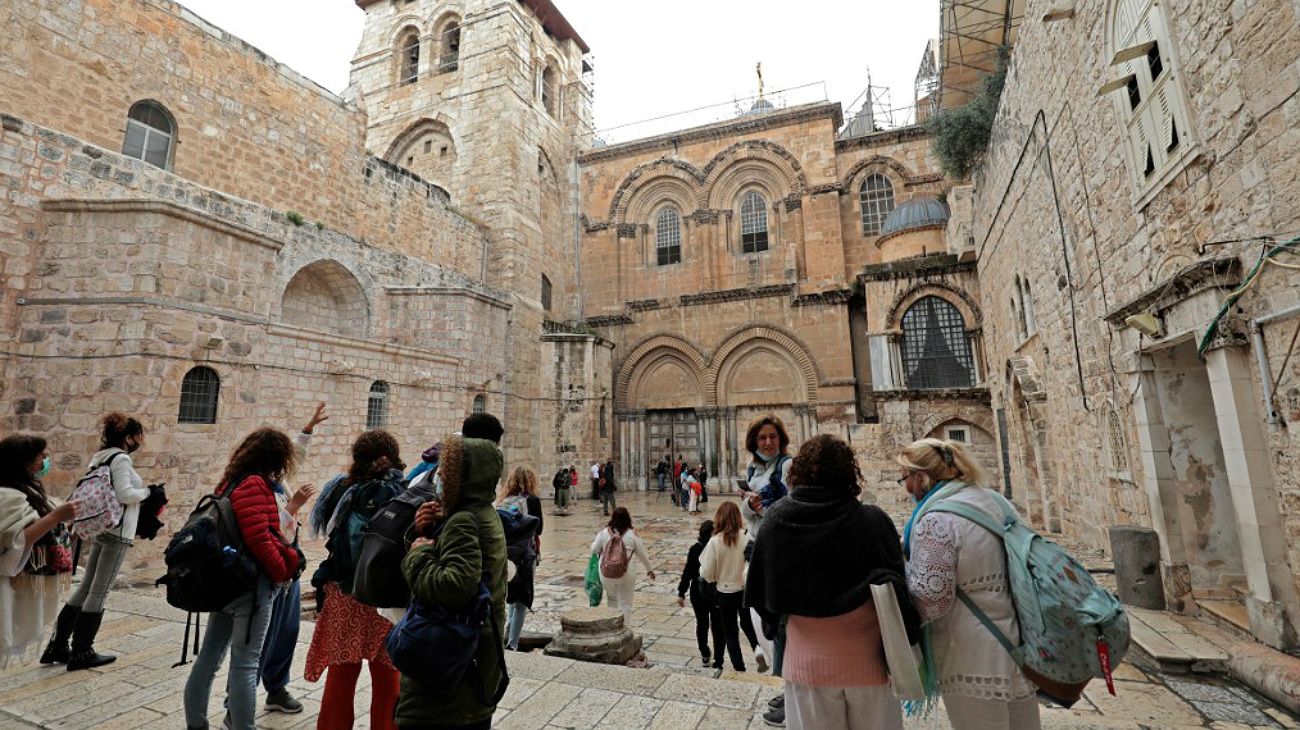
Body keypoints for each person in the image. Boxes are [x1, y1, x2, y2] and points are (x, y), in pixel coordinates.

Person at [747, 434, 919, 730]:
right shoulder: (873, 521)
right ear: (849, 472)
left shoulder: (776, 520)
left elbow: (759, 598)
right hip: (871, 666)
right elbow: (901, 590)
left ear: (797, 471)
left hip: (806, 668)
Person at [900, 438, 1040, 730]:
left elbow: (931, 601)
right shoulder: (996, 502)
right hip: (1014, 643)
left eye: (905, 478)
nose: (906, 488)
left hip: (968, 655)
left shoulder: (936, 519)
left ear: (922, 477)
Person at [183, 429, 303, 730]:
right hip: (249, 587)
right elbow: (260, 539)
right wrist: (281, 572)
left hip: (225, 582)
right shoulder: (255, 484)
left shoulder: (230, 481)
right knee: (245, 665)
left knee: (208, 660)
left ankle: (196, 724)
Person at [400, 434, 508, 729]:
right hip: (475, 660)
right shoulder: (483, 513)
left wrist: (417, 554)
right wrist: (425, 530)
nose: (439, 478)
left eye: (447, 472)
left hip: (450, 663)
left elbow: (454, 585)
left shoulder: (465, 520)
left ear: (466, 476)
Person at [306, 431, 406, 730]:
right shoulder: (400, 491)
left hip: (343, 592)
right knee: (388, 679)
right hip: (383, 597)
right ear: (389, 456)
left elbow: (328, 535)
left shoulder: (339, 487)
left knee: (341, 676)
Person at [45, 412, 150, 671]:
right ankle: (82, 651)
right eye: (138, 436)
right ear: (128, 438)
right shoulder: (122, 458)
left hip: (102, 528)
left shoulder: (100, 456)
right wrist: (148, 492)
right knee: (100, 590)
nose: (141, 441)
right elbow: (125, 494)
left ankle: (57, 645)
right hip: (118, 532)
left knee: (86, 587)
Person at [256, 403, 326, 715]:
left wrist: (308, 428)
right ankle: (238, 701)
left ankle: (276, 688)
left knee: (286, 632)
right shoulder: (254, 486)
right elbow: (267, 530)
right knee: (259, 638)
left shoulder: (275, 478)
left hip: (289, 570)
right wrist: (294, 506)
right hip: (268, 573)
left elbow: (296, 454)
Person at [2, 435, 79, 668]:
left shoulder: (26, 489)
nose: (46, 460)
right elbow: (14, 542)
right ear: (23, 462)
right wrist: (56, 517)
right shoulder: (6, 495)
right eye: (41, 456)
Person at [701, 502, 755, 672]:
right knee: (747, 624)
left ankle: (739, 667)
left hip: (724, 592)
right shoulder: (747, 537)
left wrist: (706, 572)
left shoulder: (715, 542)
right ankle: (758, 649)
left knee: (730, 632)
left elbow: (707, 573)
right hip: (743, 589)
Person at [498, 466, 543, 651]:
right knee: (521, 600)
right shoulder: (532, 500)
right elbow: (538, 529)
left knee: (509, 595)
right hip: (525, 555)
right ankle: (513, 643)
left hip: (504, 554)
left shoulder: (503, 502)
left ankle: (506, 634)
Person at [590, 507, 655, 613]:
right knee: (625, 603)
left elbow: (594, 550)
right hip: (626, 573)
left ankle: (613, 626)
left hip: (606, 573)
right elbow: (642, 554)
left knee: (612, 600)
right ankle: (625, 627)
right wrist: (649, 570)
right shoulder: (632, 535)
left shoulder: (604, 532)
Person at [677, 519, 723, 668]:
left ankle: (705, 653)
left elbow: (688, 572)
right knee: (716, 625)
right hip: (716, 592)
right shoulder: (718, 548)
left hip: (698, 592)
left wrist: (681, 592)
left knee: (702, 624)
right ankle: (717, 657)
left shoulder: (695, 549)